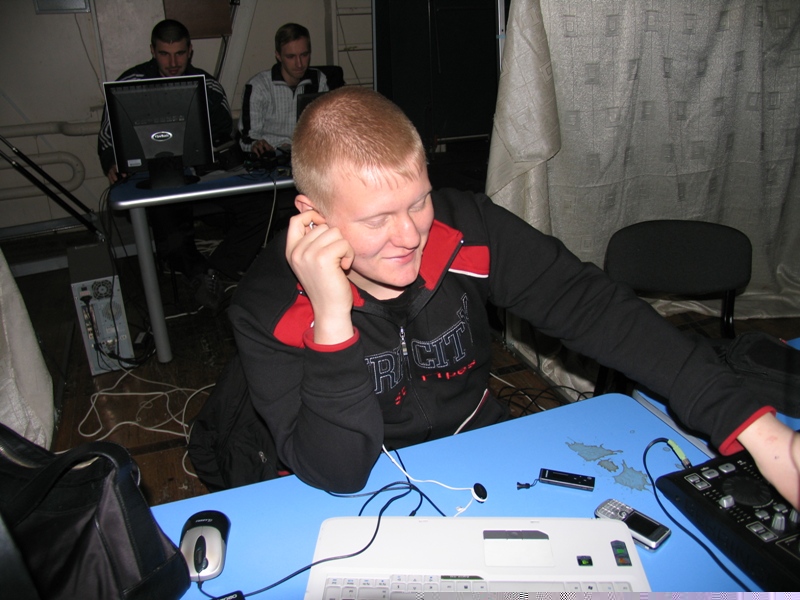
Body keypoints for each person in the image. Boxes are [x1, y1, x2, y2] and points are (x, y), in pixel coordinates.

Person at [226, 87, 800, 508]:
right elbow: (340, 472)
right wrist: (331, 318)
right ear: (315, 217)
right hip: (357, 485)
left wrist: (758, 430)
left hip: (480, 450)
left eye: (418, 201)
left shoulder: (467, 228)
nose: (410, 236)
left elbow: (594, 308)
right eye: (377, 219)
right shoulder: (265, 306)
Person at [98, 19, 269, 310]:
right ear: (152, 51)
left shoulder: (206, 84)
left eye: (179, 53)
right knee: (172, 229)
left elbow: (223, 130)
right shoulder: (130, 82)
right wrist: (111, 162)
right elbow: (107, 137)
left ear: (190, 51)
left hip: (204, 173)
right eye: (164, 54)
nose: (173, 62)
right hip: (157, 177)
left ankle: (217, 270)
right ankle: (201, 275)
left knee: (261, 204)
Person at [238, 23, 329, 157]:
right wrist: (256, 145)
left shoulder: (319, 81)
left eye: (304, 55)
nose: (299, 64)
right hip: (272, 157)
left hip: (307, 156)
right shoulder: (258, 87)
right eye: (291, 57)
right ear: (278, 56)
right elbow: (247, 138)